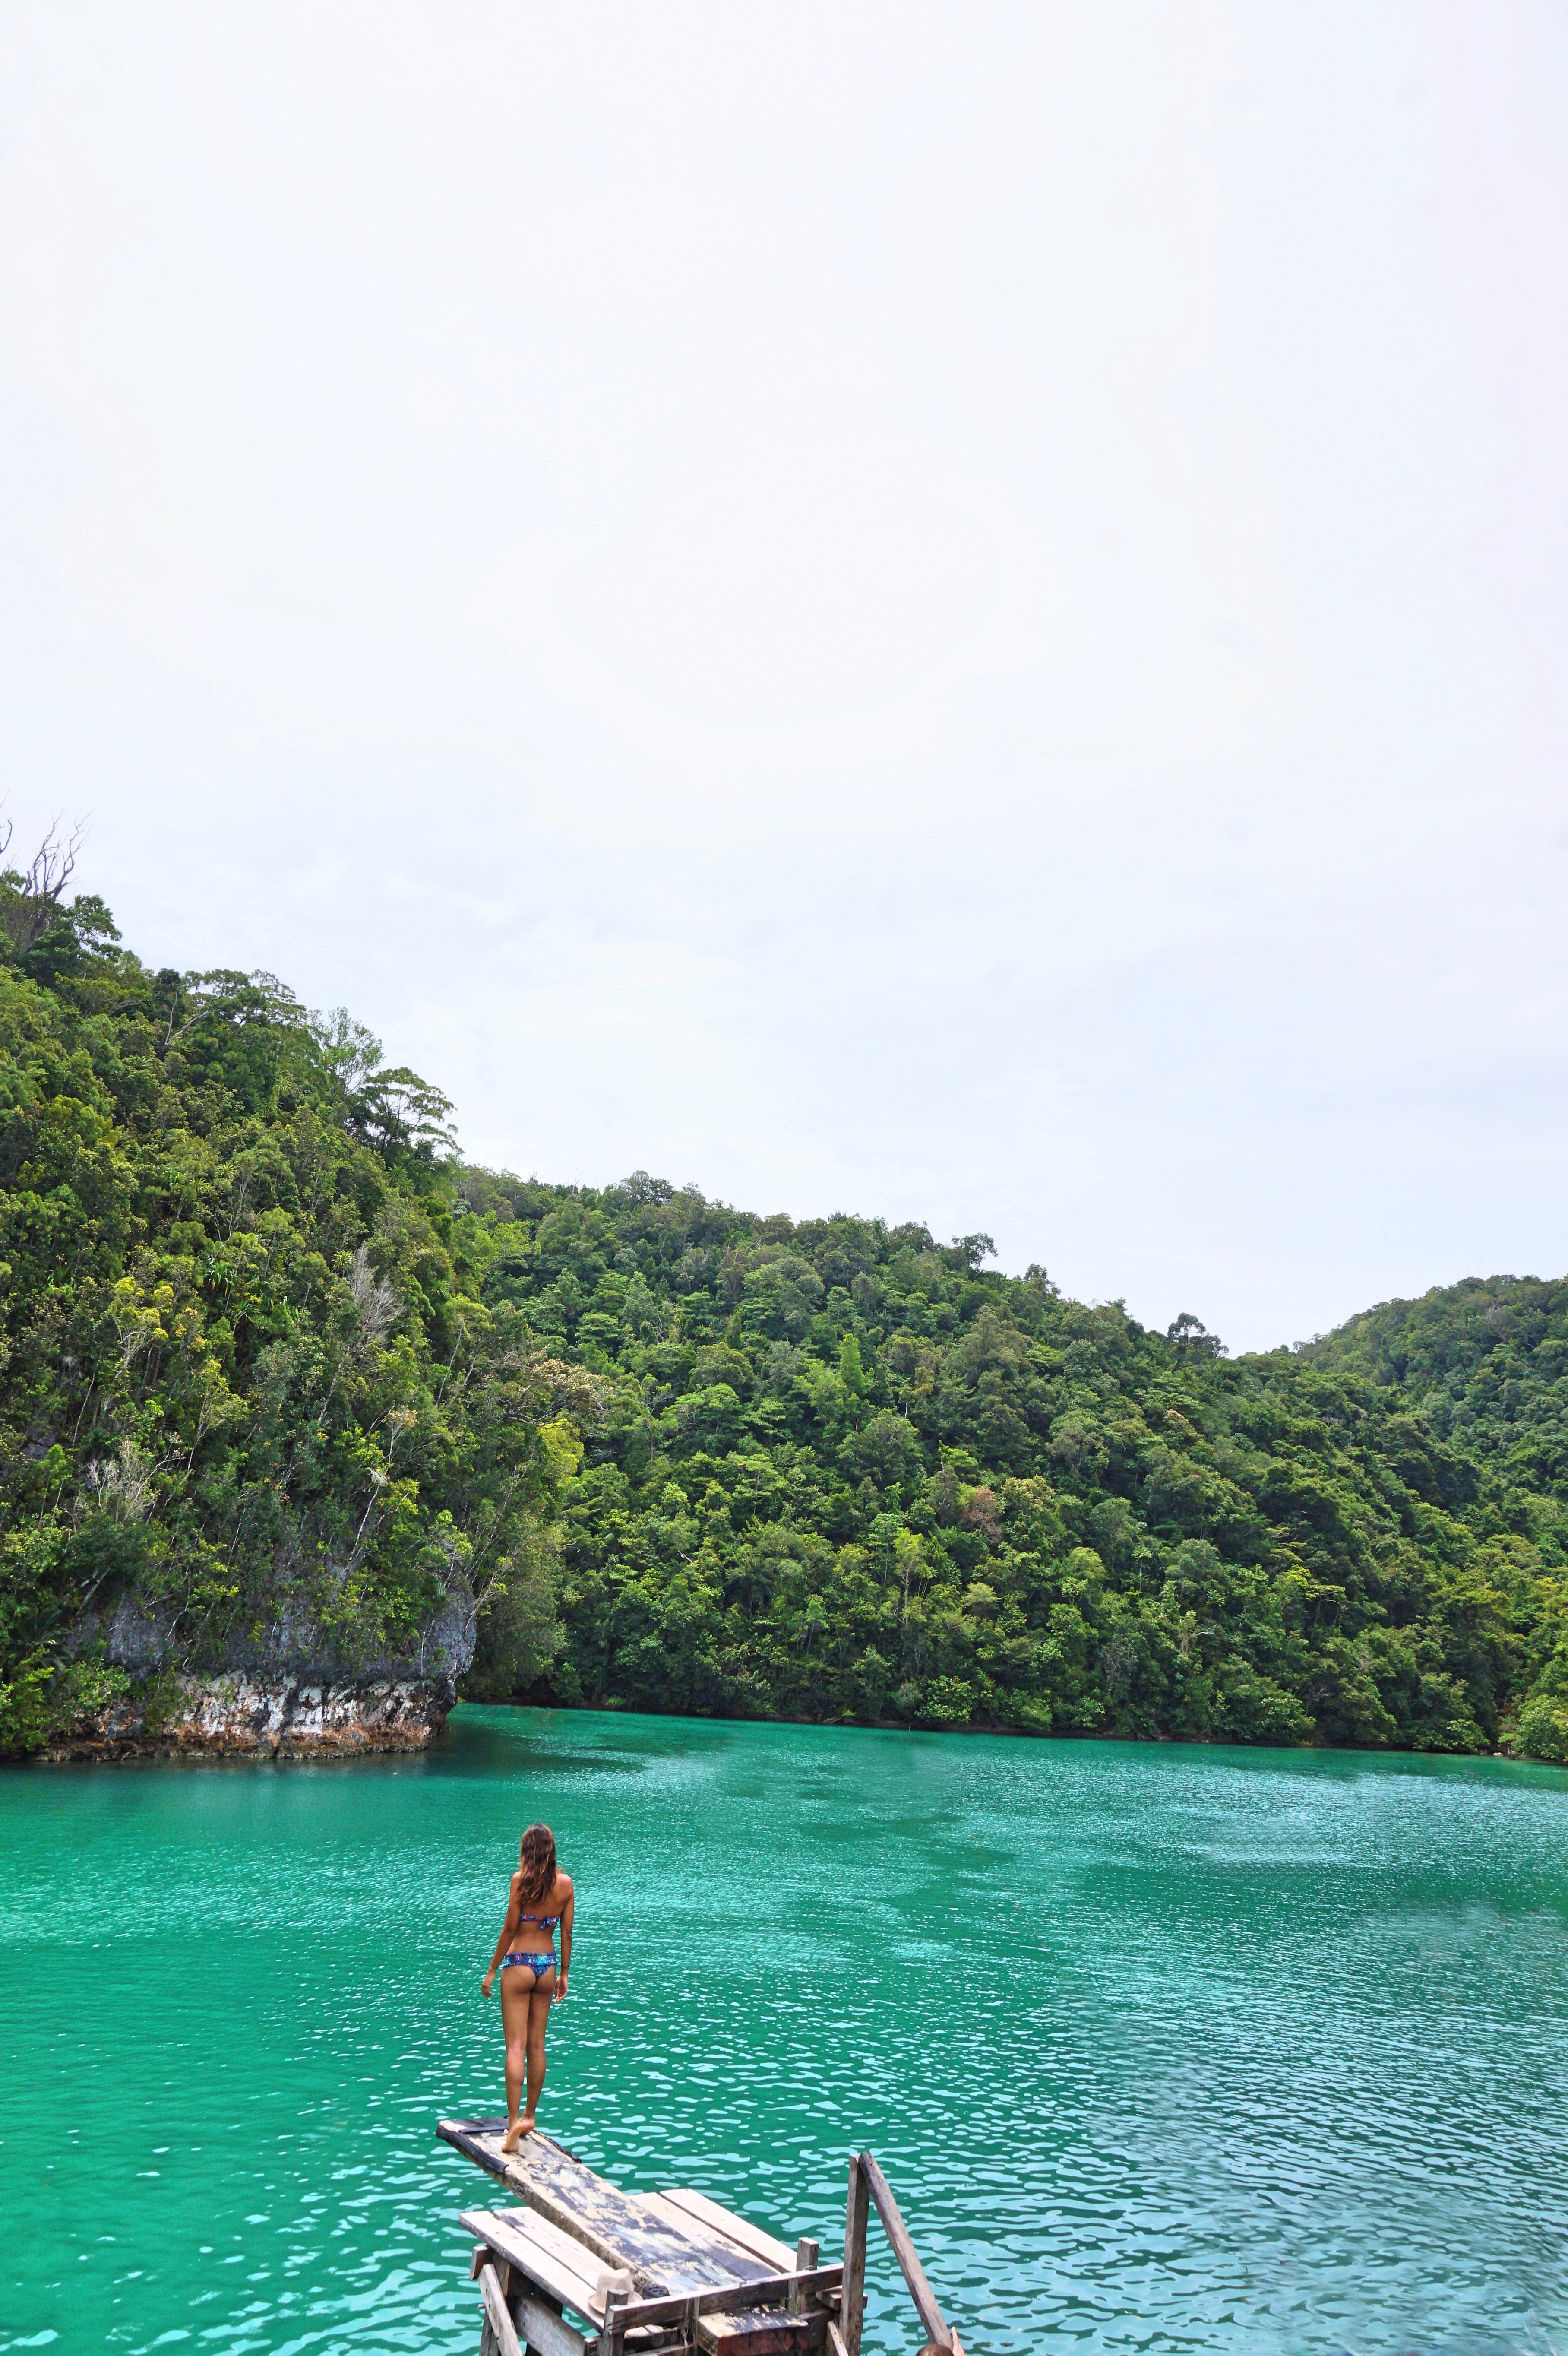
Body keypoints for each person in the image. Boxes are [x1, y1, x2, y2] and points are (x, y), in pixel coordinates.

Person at [481, 1821, 574, 2150]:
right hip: (547, 1967)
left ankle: (512, 2125)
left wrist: (492, 1970)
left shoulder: (519, 1882)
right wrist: (564, 1973)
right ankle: (531, 2115)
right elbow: (566, 1934)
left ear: (526, 1853)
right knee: (537, 2045)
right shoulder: (565, 1885)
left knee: (515, 2047)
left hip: (519, 1965)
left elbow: (509, 1929)